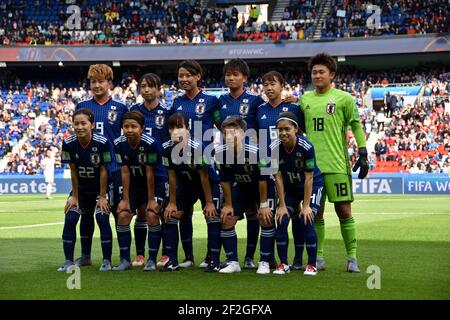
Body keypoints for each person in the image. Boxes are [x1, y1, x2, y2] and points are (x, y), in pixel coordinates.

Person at [299, 53, 368, 272]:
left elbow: (356, 125)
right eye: (314, 72)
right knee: (315, 213)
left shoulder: (344, 98)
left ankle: (352, 258)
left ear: (332, 75)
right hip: (312, 169)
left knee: (344, 211)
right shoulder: (305, 99)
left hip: (337, 165)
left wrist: (363, 151)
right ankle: (318, 257)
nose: (317, 75)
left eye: (321, 72)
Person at [75, 64, 128, 267]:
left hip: (113, 168)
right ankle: (86, 256)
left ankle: (122, 258)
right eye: (93, 82)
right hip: (88, 171)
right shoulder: (82, 107)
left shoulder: (121, 108)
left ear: (109, 83)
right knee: (86, 214)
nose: (97, 85)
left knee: (115, 214)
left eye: (101, 81)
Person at [171, 60, 221, 269]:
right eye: (180, 76)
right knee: (183, 213)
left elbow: (223, 126)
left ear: (198, 76)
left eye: (187, 75)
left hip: (206, 166)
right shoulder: (176, 103)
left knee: (211, 213)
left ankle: (211, 257)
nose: (183, 79)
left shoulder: (211, 101)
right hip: (183, 168)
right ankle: (188, 257)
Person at [218, 59, 265, 269]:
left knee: (255, 213)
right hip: (231, 163)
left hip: (253, 163)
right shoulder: (219, 101)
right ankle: (232, 260)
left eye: (236, 74)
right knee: (227, 214)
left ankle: (250, 257)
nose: (231, 78)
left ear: (244, 78)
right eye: (228, 74)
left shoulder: (255, 101)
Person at [161, 113, 222, 272]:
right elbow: (172, 177)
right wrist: (172, 202)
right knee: (172, 215)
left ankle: (214, 261)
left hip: (208, 185)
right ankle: (173, 262)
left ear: (187, 129)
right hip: (186, 186)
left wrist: (209, 202)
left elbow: (204, 176)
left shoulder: (198, 147)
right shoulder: (166, 148)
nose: (176, 131)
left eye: (180, 127)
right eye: (172, 128)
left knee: (212, 216)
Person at [256, 71, 304, 271]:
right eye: (265, 84)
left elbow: (303, 133)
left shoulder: (294, 107)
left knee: (296, 214)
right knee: (269, 214)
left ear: (282, 85)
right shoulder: (259, 109)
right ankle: (270, 259)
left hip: (290, 167)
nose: (268, 87)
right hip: (267, 167)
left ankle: (298, 258)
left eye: (273, 83)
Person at [214, 116, 272, 273]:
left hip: (263, 187)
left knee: (265, 218)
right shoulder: (220, 153)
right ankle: (233, 262)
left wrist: (264, 205)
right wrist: (228, 204)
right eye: (226, 133)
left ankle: (265, 261)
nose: (230, 136)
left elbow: (263, 180)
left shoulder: (256, 152)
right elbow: (225, 180)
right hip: (241, 187)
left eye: (234, 132)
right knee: (227, 218)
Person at [58, 108, 113, 272]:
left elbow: (104, 170)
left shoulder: (102, 142)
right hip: (81, 190)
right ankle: (71, 260)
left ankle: (107, 261)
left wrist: (103, 196)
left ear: (92, 125)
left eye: (84, 123)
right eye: (76, 123)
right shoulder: (68, 143)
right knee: (70, 218)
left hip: (99, 189)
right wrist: (74, 196)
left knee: (102, 218)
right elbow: (73, 170)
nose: (80, 127)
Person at [271, 112, 324, 276]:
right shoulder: (273, 149)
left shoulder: (307, 147)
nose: (283, 133)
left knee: (306, 218)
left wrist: (306, 206)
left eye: (287, 129)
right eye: (280, 130)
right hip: (291, 187)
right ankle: (283, 264)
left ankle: (311, 264)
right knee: (282, 219)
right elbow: (277, 177)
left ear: (295, 129)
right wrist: (281, 205)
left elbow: (309, 177)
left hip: (312, 185)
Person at [130, 73, 171, 269]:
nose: (146, 90)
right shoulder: (134, 111)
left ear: (158, 89)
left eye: (150, 86)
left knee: (159, 212)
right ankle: (140, 255)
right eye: (143, 86)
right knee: (141, 212)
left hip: (161, 170)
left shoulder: (167, 111)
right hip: (138, 170)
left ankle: (165, 254)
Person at [113, 111, 162, 271]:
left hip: (156, 181)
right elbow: (125, 172)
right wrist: (125, 199)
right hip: (134, 183)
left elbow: (150, 173)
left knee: (151, 214)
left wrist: (151, 199)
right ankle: (125, 260)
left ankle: (152, 260)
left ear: (142, 128)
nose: (129, 130)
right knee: (123, 215)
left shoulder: (150, 143)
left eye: (133, 126)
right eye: (126, 126)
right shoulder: (119, 144)